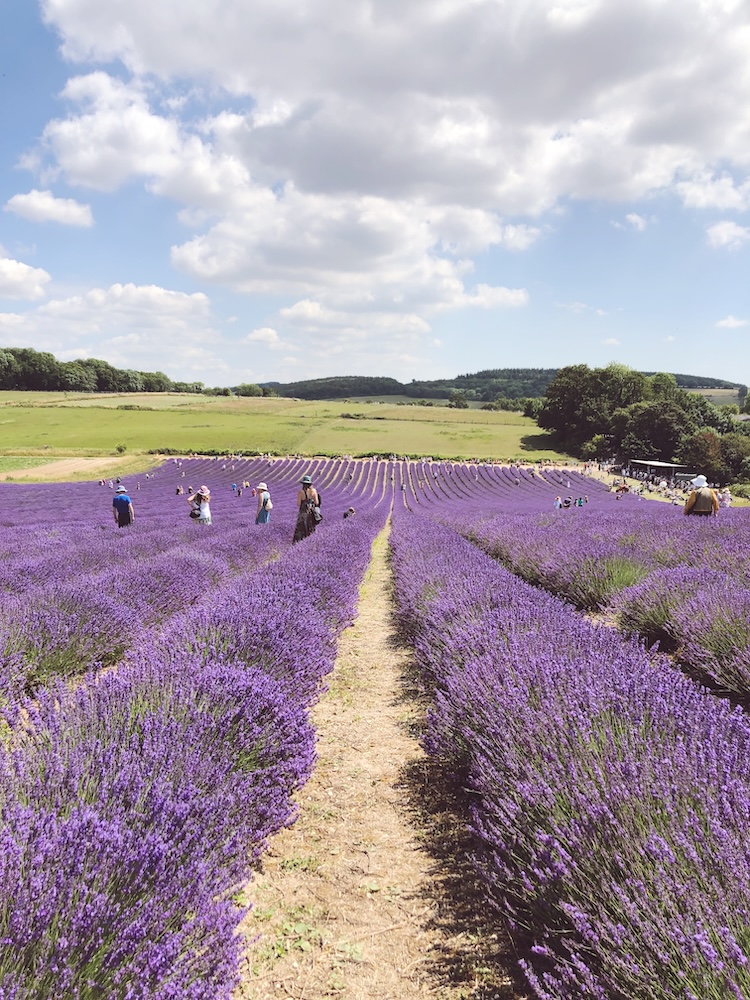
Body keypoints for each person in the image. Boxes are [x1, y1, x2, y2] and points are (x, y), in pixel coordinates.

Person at [293, 474, 320, 542]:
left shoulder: (300, 492)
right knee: (311, 528)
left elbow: (298, 504)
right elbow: (317, 502)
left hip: (303, 512)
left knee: (301, 528)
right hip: (311, 512)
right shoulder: (314, 491)